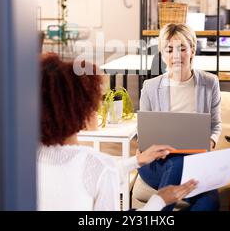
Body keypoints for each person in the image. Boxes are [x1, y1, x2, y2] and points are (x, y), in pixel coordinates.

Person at [37, 53, 198, 211]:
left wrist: (137, 160)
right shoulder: (97, 164)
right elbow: (97, 173)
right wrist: (159, 200)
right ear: (81, 107)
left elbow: (88, 174)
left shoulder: (23, 160)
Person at [138, 23, 222, 211]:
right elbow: (143, 132)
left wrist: (210, 142)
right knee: (177, 162)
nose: (176, 55)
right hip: (156, 164)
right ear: (162, 54)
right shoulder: (151, 87)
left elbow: (215, 125)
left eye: (182, 48)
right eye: (169, 50)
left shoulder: (210, 83)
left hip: (196, 163)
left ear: (192, 50)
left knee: (210, 202)